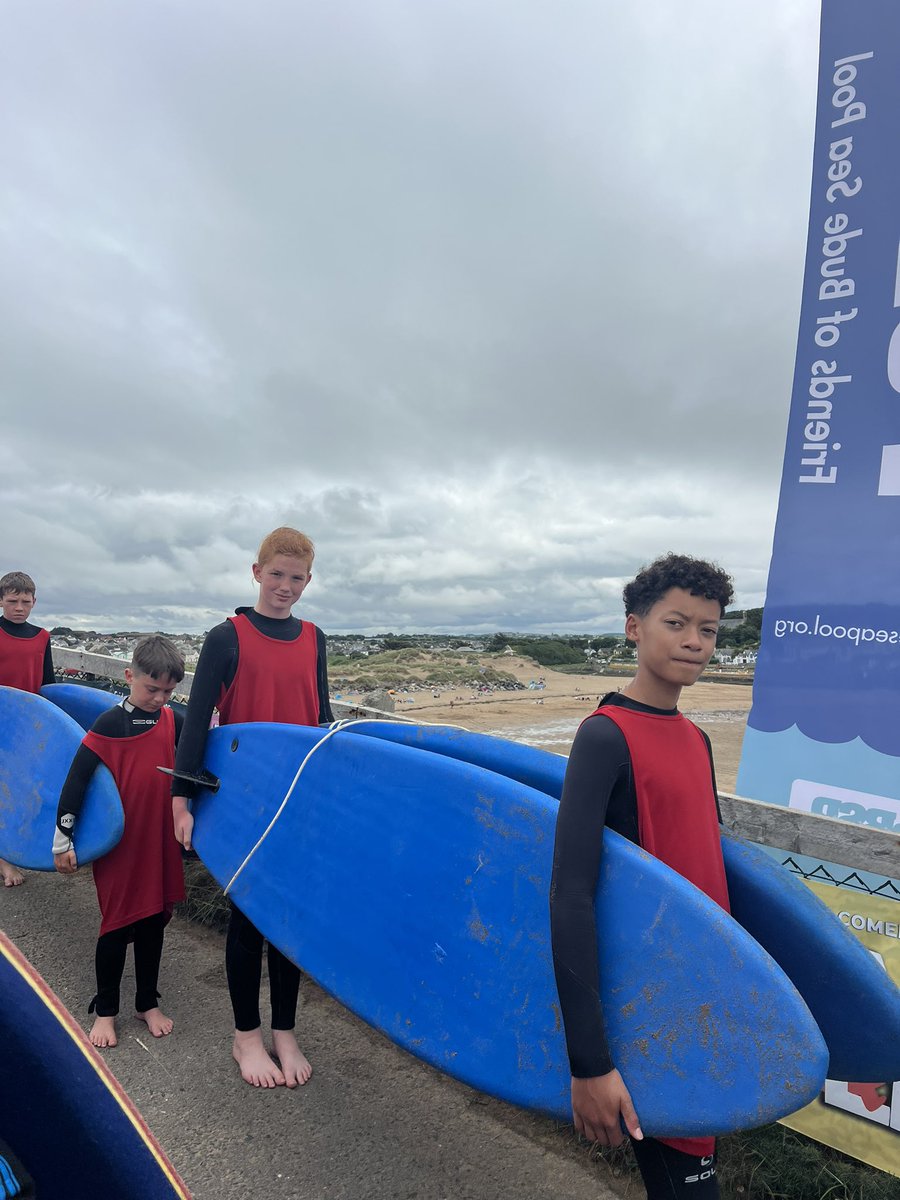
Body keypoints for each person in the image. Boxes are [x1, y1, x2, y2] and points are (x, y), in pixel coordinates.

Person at [550, 552, 734, 1200]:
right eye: (677, 623)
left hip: (701, 1000)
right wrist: (590, 1064)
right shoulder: (604, 737)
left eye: (708, 630)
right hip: (646, 1014)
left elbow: (706, 871)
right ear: (634, 627)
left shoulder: (698, 741)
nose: (694, 641)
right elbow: (570, 894)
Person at [171, 526, 333, 1089]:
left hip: (297, 802)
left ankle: (284, 1031)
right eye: (277, 574)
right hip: (242, 802)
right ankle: (246, 1037)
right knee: (248, 918)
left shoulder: (314, 638)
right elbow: (195, 721)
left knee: (288, 918)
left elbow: (323, 724)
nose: (285, 586)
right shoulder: (227, 637)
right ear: (256, 572)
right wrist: (181, 797)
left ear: (308, 581)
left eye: (297, 577)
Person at [53, 635, 186, 1049]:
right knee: (115, 925)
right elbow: (76, 780)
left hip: (159, 840)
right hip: (121, 845)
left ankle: (147, 1001)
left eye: (169, 691)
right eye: (152, 688)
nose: (160, 698)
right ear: (129, 676)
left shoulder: (169, 720)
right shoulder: (110, 724)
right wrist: (64, 838)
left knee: (152, 923)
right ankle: (106, 1010)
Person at [0, 570, 55, 888]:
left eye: (25, 601)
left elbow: (48, 685)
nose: (19, 607)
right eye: (12, 601)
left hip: (27, 726)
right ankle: (5, 861)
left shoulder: (42, 636)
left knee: (20, 788)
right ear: (2, 601)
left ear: (34, 601)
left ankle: (15, 849)